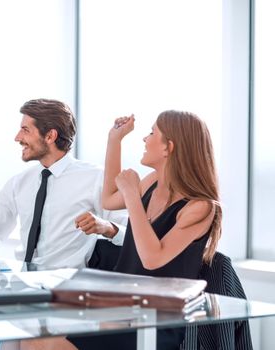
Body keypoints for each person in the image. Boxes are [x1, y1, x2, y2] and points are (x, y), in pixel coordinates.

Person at [23, 110, 222, 350]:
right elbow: (108, 199)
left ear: (168, 147)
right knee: (33, 335)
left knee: (47, 343)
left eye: (151, 133)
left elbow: (152, 258)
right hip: (122, 309)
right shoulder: (151, 183)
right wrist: (114, 140)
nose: (145, 139)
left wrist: (131, 195)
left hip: (156, 321)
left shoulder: (200, 207)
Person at [0, 98, 127, 269]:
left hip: (68, 285)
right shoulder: (18, 183)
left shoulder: (95, 178)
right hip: (23, 282)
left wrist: (106, 227)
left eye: (25, 130)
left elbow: (129, 233)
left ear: (50, 136)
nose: (17, 138)